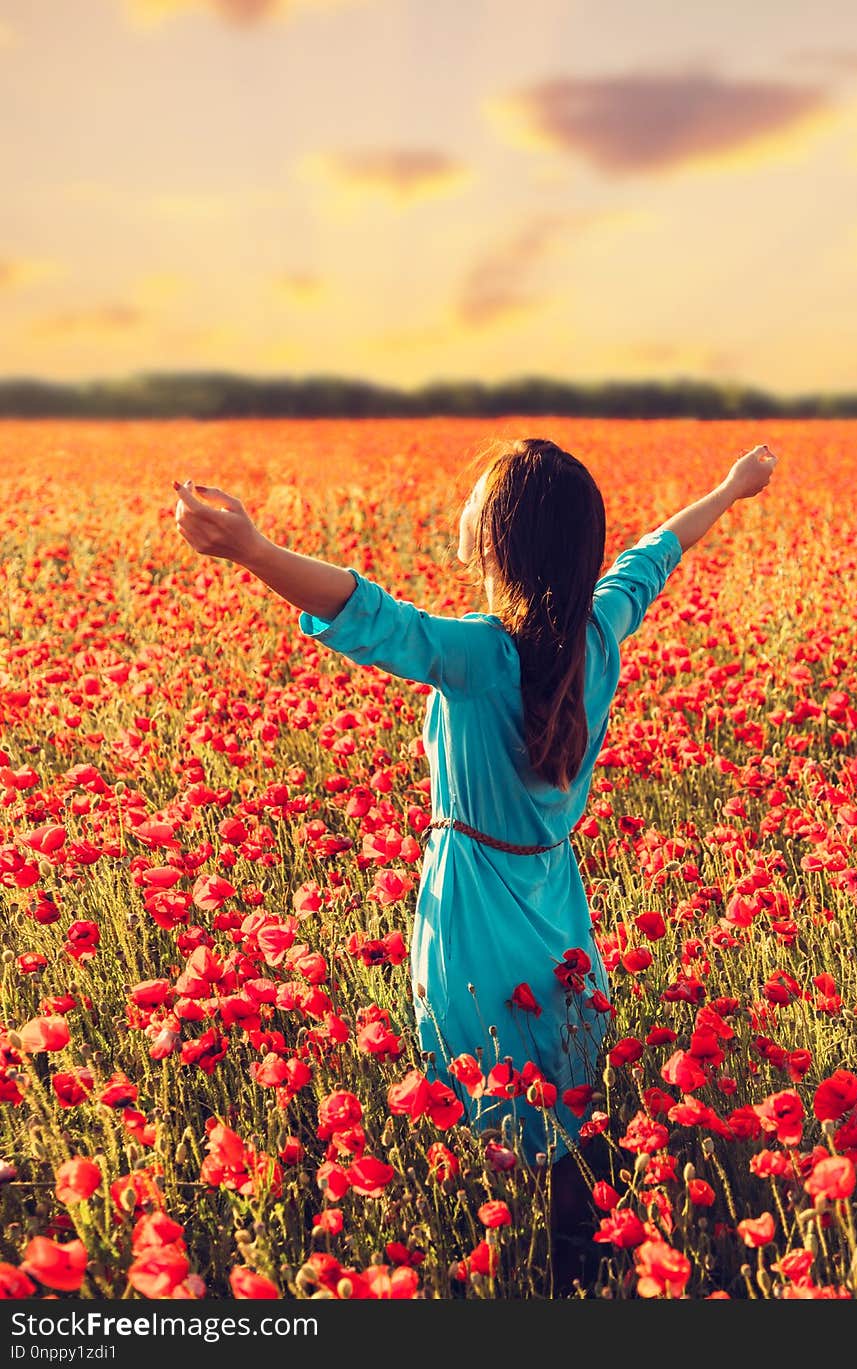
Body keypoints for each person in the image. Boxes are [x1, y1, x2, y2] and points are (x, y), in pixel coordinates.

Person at [172, 436, 777, 1293]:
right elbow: (657, 555)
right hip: (555, 900)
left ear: (497, 539)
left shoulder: (480, 655)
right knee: (564, 1090)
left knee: (482, 1092)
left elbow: (372, 615)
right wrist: (730, 487)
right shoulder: (600, 627)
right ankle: (584, 1257)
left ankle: (509, 1268)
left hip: (472, 908)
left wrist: (254, 551)